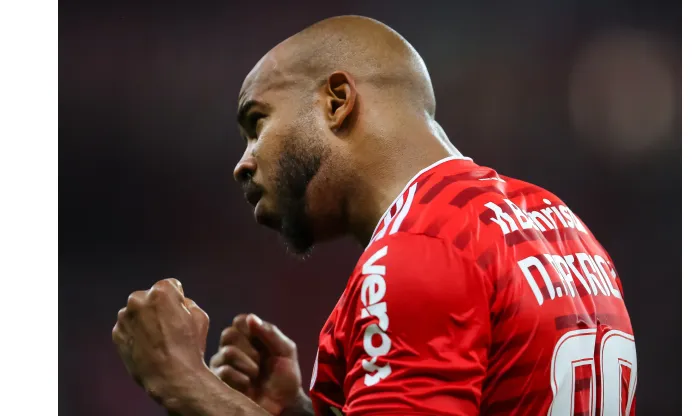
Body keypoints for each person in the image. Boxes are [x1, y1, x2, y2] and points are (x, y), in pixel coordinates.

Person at [112, 15, 637, 416]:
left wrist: (186, 383)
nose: (242, 163)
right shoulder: (556, 221)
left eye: (257, 123)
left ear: (336, 101)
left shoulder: (418, 250)